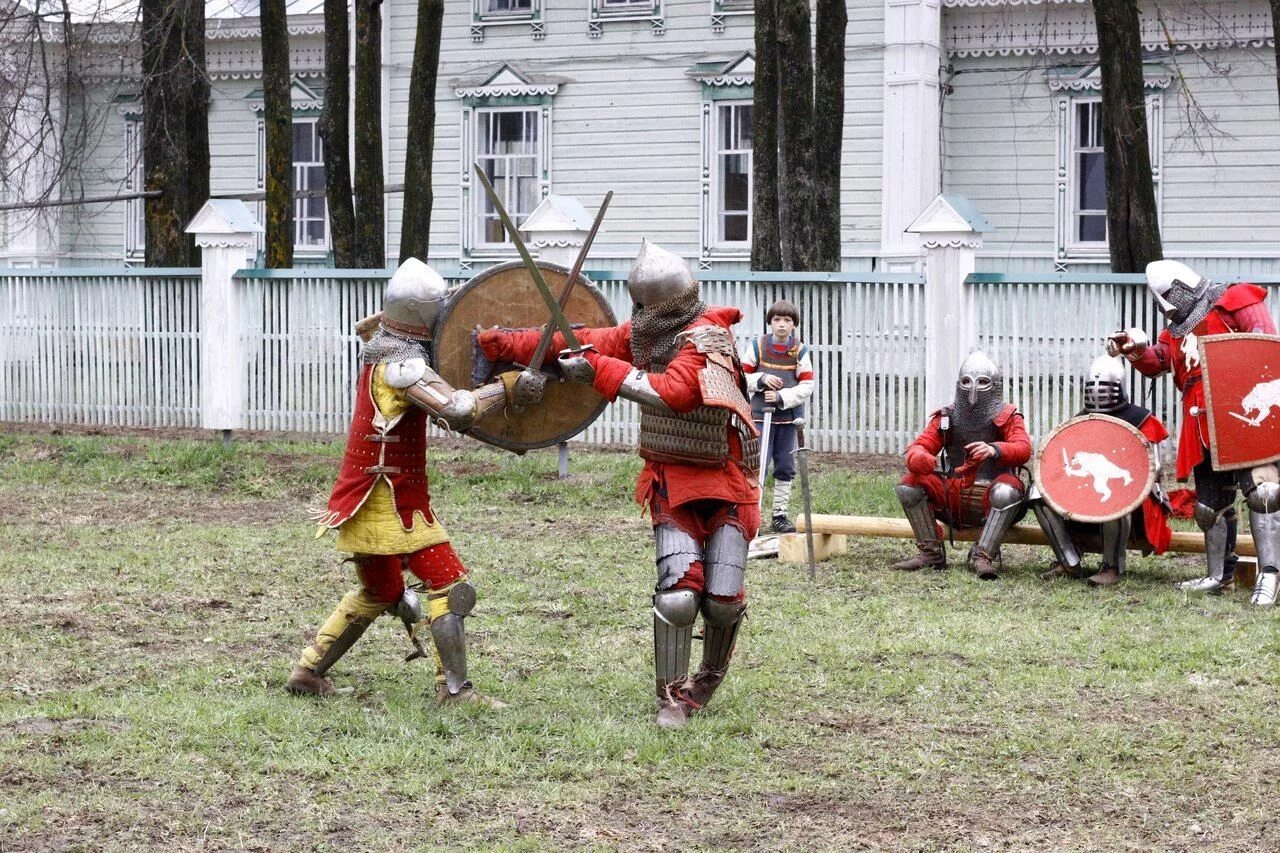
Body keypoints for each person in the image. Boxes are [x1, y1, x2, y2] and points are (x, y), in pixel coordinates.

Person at [478, 240, 759, 729]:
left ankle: (707, 678)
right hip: (672, 478)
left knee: (720, 600)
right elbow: (582, 340)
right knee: (678, 595)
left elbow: (676, 393)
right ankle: (670, 696)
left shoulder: (709, 335)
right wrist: (509, 344)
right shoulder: (648, 334)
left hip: (725, 479)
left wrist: (600, 372)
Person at [285, 258, 540, 703]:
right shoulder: (401, 365)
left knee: (381, 590)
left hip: (362, 498)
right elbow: (458, 409)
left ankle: (308, 671)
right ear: (426, 314)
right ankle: (455, 691)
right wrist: (510, 386)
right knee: (452, 585)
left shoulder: (385, 353)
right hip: (390, 502)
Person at [1107, 259, 1280, 605]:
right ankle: (1220, 575)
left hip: (1241, 414)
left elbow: (1265, 348)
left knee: (1263, 491)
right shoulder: (1176, 330)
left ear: (1181, 288)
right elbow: (1161, 360)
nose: (1166, 304)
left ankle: (1270, 576)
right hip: (1200, 424)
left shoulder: (1235, 299)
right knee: (1208, 506)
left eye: (1167, 295)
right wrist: (1135, 348)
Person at [1031, 354, 1174, 586]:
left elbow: (1152, 467)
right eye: (1094, 388)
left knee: (1115, 497)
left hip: (1133, 500)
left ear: (1119, 387)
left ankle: (1112, 565)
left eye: (1106, 388)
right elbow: (1062, 460)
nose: (1099, 393)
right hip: (1088, 489)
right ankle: (1069, 558)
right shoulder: (1081, 420)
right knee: (1037, 492)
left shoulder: (1140, 419)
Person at [892, 352, 1032, 579]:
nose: (973, 389)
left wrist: (994, 449)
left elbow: (1023, 448)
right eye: (967, 382)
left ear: (995, 386)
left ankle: (984, 554)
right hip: (954, 498)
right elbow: (920, 445)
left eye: (983, 382)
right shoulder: (947, 417)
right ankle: (931, 553)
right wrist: (921, 458)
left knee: (1008, 489)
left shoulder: (1007, 416)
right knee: (909, 484)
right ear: (959, 385)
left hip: (993, 497)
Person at [740, 299, 815, 533]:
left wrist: (782, 396)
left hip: (788, 419)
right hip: (761, 416)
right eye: (777, 320)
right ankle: (754, 514)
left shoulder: (799, 350)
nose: (782, 324)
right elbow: (741, 375)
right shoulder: (757, 346)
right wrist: (761, 380)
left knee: (785, 464)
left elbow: (807, 385)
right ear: (770, 322)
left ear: (794, 325)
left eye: (787, 320)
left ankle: (779, 515)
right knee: (758, 463)